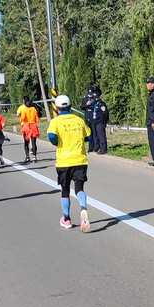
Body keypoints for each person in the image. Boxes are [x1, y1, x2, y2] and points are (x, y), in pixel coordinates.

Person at [47, 93, 91, 230]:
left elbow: (52, 137)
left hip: (64, 161)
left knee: (65, 190)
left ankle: (66, 219)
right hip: (80, 159)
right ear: (71, 106)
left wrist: (58, 142)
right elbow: (88, 136)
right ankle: (83, 208)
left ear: (56, 107)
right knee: (79, 187)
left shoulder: (55, 122)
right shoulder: (79, 120)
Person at [17, 98, 40, 163]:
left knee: (26, 142)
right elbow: (37, 120)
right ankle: (35, 156)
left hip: (26, 126)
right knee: (33, 142)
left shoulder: (24, 110)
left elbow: (23, 118)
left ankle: (27, 156)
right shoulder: (34, 110)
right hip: (33, 126)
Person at [87, 87, 109, 155]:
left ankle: (103, 149)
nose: (95, 97)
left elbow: (105, 113)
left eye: (96, 96)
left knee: (101, 136)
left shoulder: (101, 104)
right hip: (95, 122)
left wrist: (105, 121)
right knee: (96, 135)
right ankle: (98, 147)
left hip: (100, 122)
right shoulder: (95, 103)